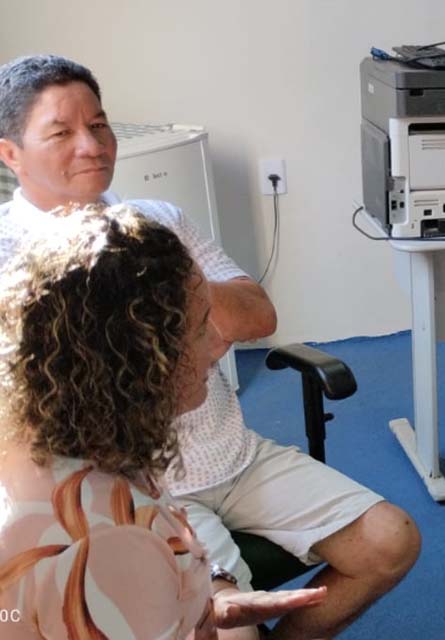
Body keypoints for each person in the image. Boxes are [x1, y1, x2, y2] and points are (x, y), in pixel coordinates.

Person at [0, 54, 420, 640]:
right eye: (61, 132)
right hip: (136, 478)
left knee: (390, 539)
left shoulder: (157, 221)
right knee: (227, 628)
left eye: (99, 125)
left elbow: (257, 315)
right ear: (10, 152)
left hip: (233, 455)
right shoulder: (11, 260)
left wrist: (157, 263)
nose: (92, 145)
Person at [0, 206, 327, 638]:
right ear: (129, 359)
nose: (219, 343)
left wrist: (205, 600)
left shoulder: (81, 446)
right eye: (196, 329)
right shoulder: (104, 541)